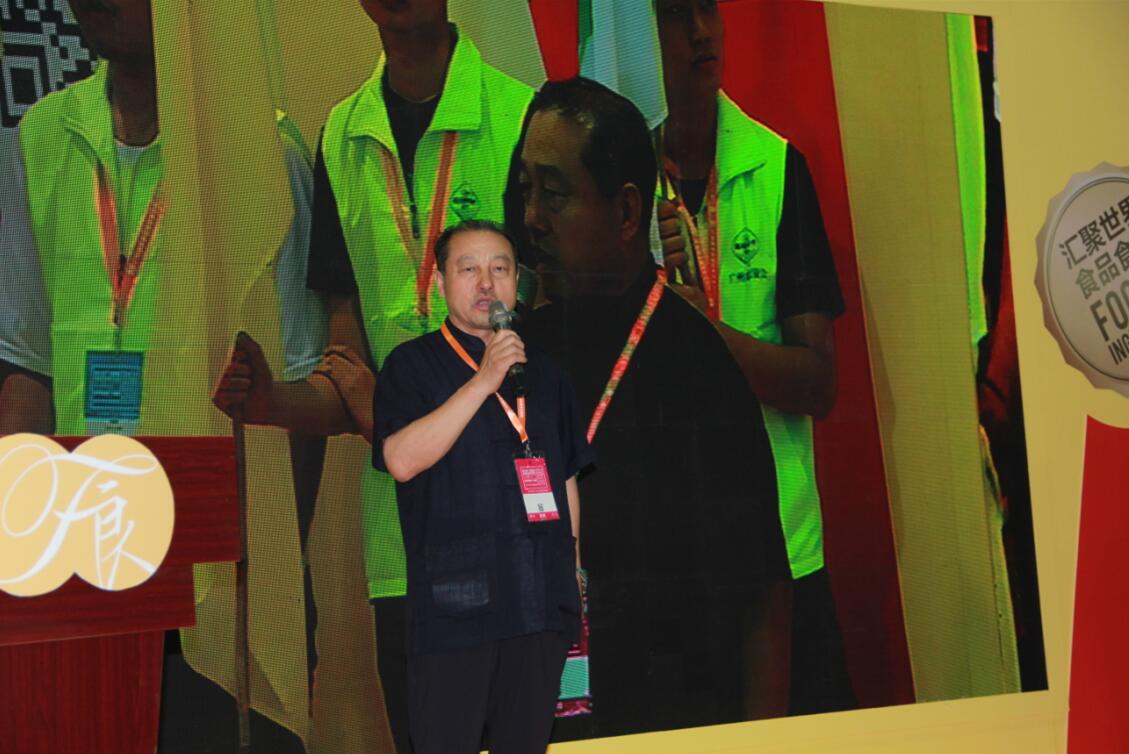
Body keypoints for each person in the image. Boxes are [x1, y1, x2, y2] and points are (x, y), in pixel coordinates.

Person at [213, 2, 535, 747]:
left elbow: (546, 361)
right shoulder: (342, 134)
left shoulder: (521, 118)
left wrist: (382, 404)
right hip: (404, 546)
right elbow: (346, 372)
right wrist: (269, 399)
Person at [517, 77, 792, 737]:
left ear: (624, 212)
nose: (531, 218)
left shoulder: (695, 364)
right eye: (526, 189)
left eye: (555, 193)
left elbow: (764, 598)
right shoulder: (520, 357)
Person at [653, 0, 853, 714]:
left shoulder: (775, 165)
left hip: (784, 550)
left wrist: (704, 333)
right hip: (673, 561)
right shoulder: (619, 186)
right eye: (676, 14)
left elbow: (819, 383)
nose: (701, 31)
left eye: (708, 8)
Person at [370, 219, 590, 754]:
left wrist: (574, 569)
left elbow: (564, 475)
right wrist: (484, 380)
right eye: (469, 269)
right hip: (456, 610)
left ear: (518, 282)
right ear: (440, 283)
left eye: (500, 269)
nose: (487, 283)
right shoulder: (411, 365)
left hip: (540, 601)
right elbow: (400, 460)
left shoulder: (547, 374)